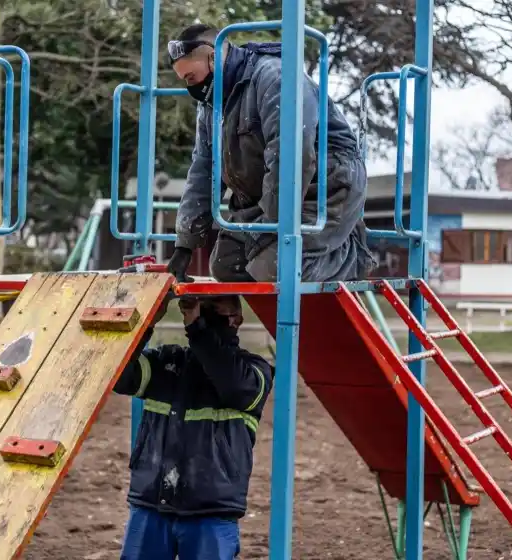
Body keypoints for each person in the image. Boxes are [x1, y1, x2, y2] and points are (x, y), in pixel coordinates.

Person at [165, 23, 377, 284]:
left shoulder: (274, 77)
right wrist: (184, 245)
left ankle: (351, 256)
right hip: (268, 197)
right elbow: (203, 169)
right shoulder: (211, 103)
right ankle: (224, 323)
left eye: (191, 78)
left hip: (325, 185)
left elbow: (291, 157)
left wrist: (270, 229)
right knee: (226, 266)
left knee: (274, 268)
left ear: (213, 57)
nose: (191, 87)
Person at [114, 294, 273, 560]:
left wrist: (197, 327)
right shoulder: (166, 362)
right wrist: (147, 319)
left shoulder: (253, 371)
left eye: (212, 308)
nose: (202, 312)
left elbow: (232, 384)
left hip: (211, 511)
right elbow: (119, 375)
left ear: (236, 320)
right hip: (151, 504)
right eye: (200, 306)